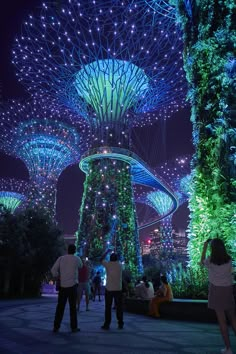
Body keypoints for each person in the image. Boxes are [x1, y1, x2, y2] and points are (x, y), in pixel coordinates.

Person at [200, 238, 236, 354]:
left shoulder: (210, 261)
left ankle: (228, 348)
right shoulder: (229, 259)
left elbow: (201, 262)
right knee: (233, 318)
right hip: (228, 290)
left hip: (216, 290)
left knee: (222, 320)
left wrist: (205, 247)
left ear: (213, 249)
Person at [51, 244, 82, 333]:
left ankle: (56, 326)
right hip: (72, 286)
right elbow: (80, 266)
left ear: (67, 250)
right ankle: (74, 327)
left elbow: (53, 270)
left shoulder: (61, 258)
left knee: (60, 308)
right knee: (73, 308)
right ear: (75, 251)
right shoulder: (77, 259)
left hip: (63, 286)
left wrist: (58, 276)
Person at [100, 249, 124, 330]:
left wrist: (107, 251)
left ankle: (107, 324)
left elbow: (101, 259)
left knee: (108, 307)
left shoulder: (108, 264)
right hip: (118, 288)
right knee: (119, 307)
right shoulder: (120, 265)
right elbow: (121, 260)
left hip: (109, 289)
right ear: (117, 259)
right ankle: (120, 323)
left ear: (110, 259)